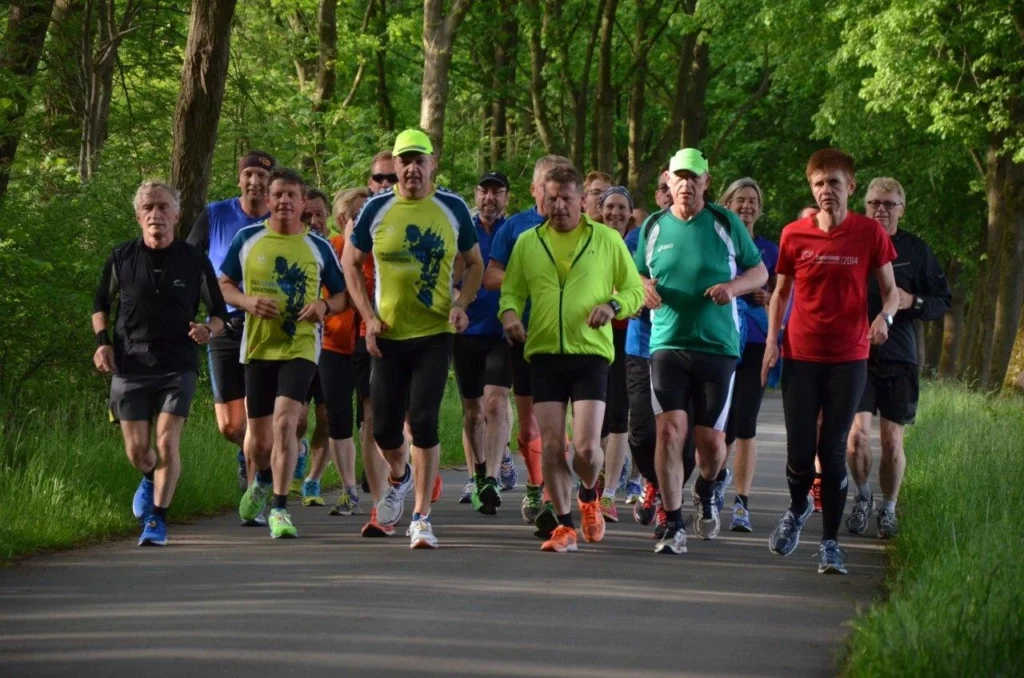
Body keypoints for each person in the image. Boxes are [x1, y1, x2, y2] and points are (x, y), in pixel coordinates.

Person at [343, 129, 484, 549]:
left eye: (419, 159)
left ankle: (421, 516)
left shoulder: (453, 207)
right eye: (404, 160)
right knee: (384, 428)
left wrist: (462, 302)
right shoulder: (377, 209)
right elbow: (350, 263)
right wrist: (367, 316)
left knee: (422, 420)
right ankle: (399, 478)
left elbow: (475, 263)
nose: (411, 168)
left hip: (435, 334)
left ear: (431, 163)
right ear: (396, 166)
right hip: (388, 335)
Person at [762, 148, 899, 574]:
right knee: (801, 451)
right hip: (801, 354)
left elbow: (890, 290)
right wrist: (772, 340)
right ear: (811, 187)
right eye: (819, 184)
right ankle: (799, 506)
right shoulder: (794, 235)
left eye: (834, 184)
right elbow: (781, 293)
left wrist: (884, 316)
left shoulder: (869, 234)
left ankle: (829, 544)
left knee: (833, 450)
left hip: (849, 356)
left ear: (850, 188)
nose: (826, 191)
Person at [500, 164, 644, 553]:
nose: (559, 205)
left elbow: (634, 290)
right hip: (544, 353)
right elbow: (510, 293)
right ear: (541, 199)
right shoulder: (528, 242)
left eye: (567, 198)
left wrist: (613, 305)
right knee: (550, 444)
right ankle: (564, 525)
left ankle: (587, 494)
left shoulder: (607, 240)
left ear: (584, 200)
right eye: (552, 198)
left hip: (591, 354)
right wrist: (510, 315)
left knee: (584, 449)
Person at [636, 148, 768, 556]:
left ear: (706, 182)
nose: (686, 184)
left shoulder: (726, 223)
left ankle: (708, 484)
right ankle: (673, 523)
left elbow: (759, 272)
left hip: (717, 346)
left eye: (694, 177)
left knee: (710, 445)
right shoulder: (654, 226)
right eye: (680, 177)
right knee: (670, 430)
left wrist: (732, 288)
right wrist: (643, 287)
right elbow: (638, 272)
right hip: (668, 343)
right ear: (668, 180)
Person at [93, 181, 228, 546]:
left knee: (167, 441)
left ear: (177, 215)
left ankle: (156, 519)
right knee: (139, 452)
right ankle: (150, 477)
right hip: (130, 363)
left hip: (178, 364)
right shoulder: (121, 257)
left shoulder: (194, 260)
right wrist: (102, 344)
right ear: (139, 216)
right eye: (149, 207)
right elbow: (99, 305)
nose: (157, 214)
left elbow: (219, 313)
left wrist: (207, 330)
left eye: (164, 207)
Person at [219, 168, 348, 540]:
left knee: (286, 423)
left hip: (301, 346)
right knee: (259, 441)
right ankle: (261, 477)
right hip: (258, 346)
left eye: (292, 195)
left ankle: (278, 507)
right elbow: (223, 283)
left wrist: (323, 308)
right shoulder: (248, 238)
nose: (284, 202)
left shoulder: (318, 246)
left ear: (303, 202)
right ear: (268, 200)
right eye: (278, 195)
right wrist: (246, 301)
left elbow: (340, 296)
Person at [845, 177, 951, 539]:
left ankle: (888, 508)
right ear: (865, 205)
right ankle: (862, 496)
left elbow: (942, 300)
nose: (881, 210)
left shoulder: (917, 250)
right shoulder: (851, 242)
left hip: (899, 357)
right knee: (857, 437)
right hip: (854, 354)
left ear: (902, 209)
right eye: (875, 202)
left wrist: (913, 301)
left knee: (892, 441)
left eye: (889, 204)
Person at [483, 154, 572, 527]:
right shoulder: (516, 227)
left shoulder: (578, 226)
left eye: (561, 191)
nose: (555, 200)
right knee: (529, 425)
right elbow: (491, 276)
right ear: (536, 188)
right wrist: (527, 284)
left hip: (568, 339)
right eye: (546, 189)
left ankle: (555, 497)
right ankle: (536, 484)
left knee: (559, 424)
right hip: (524, 335)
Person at [187, 151, 274, 494]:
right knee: (229, 425)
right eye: (249, 174)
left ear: (270, 183)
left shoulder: (278, 220)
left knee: (255, 417)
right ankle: (249, 455)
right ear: (239, 178)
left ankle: (255, 493)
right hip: (222, 325)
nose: (254, 181)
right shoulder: (215, 214)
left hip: (263, 327)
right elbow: (190, 264)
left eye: (262, 176)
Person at [716, 178, 778, 533]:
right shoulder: (715, 243)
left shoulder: (770, 250)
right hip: (719, 340)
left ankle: (741, 504)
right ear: (727, 204)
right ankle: (712, 486)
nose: (747, 206)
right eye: (740, 200)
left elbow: (783, 297)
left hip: (755, 341)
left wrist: (767, 297)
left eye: (753, 201)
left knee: (746, 423)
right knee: (717, 426)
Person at [453, 172, 515, 515]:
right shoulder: (463, 229)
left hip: (500, 331)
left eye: (497, 192)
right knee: (473, 411)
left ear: (506, 197)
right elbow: (448, 272)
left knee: (495, 401)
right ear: (476, 195)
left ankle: (490, 478)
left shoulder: (513, 232)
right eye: (484, 191)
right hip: (465, 332)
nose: (489, 197)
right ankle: (476, 475)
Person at [595, 186, 636, 521]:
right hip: (593, 337)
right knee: (594, 416)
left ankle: (608, 493)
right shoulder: (590, 240)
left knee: (619, 415)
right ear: (600, 210)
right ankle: (591, 478)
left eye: (622, 207)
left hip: (628, 340)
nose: (615, 213)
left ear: (631, 213)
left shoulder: (637, 244)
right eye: (609, 207)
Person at [294, 188, 332, 505]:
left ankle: (312, 482)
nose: (314, 221)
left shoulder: (338, 249)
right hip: (299, 343)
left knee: (327, 414)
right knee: (297, 418)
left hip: (334, 346)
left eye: (319, 214)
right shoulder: (292, 248)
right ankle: (298, 451)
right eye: (308, 215)